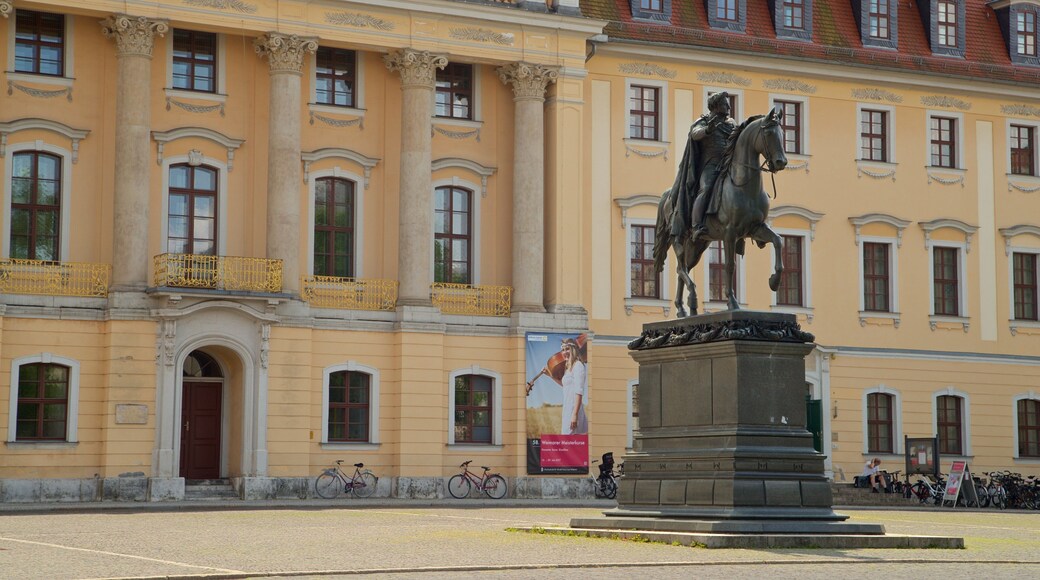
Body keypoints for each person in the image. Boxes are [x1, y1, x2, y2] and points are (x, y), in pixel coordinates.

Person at [668, 91, 737, 241]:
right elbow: (695, 133)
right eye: (726, 104)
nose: (729, 107)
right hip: (710, 164)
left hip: (728, 164)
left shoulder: (731, 124)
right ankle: (696, 225)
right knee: (705, 188)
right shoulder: (704, 121)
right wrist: (707, 130)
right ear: (716, 106)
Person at [558, 338, 588, 435]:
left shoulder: (578, 366)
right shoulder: (568, 369)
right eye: (562, 350)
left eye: (567, 349)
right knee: (568, 445)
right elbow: (566, 386)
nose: (564, 352)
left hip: (573, 410)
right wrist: (550, 376)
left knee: (570, 443)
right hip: (567, 410)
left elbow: (579, 392)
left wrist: (574, 415)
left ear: (573, 349)